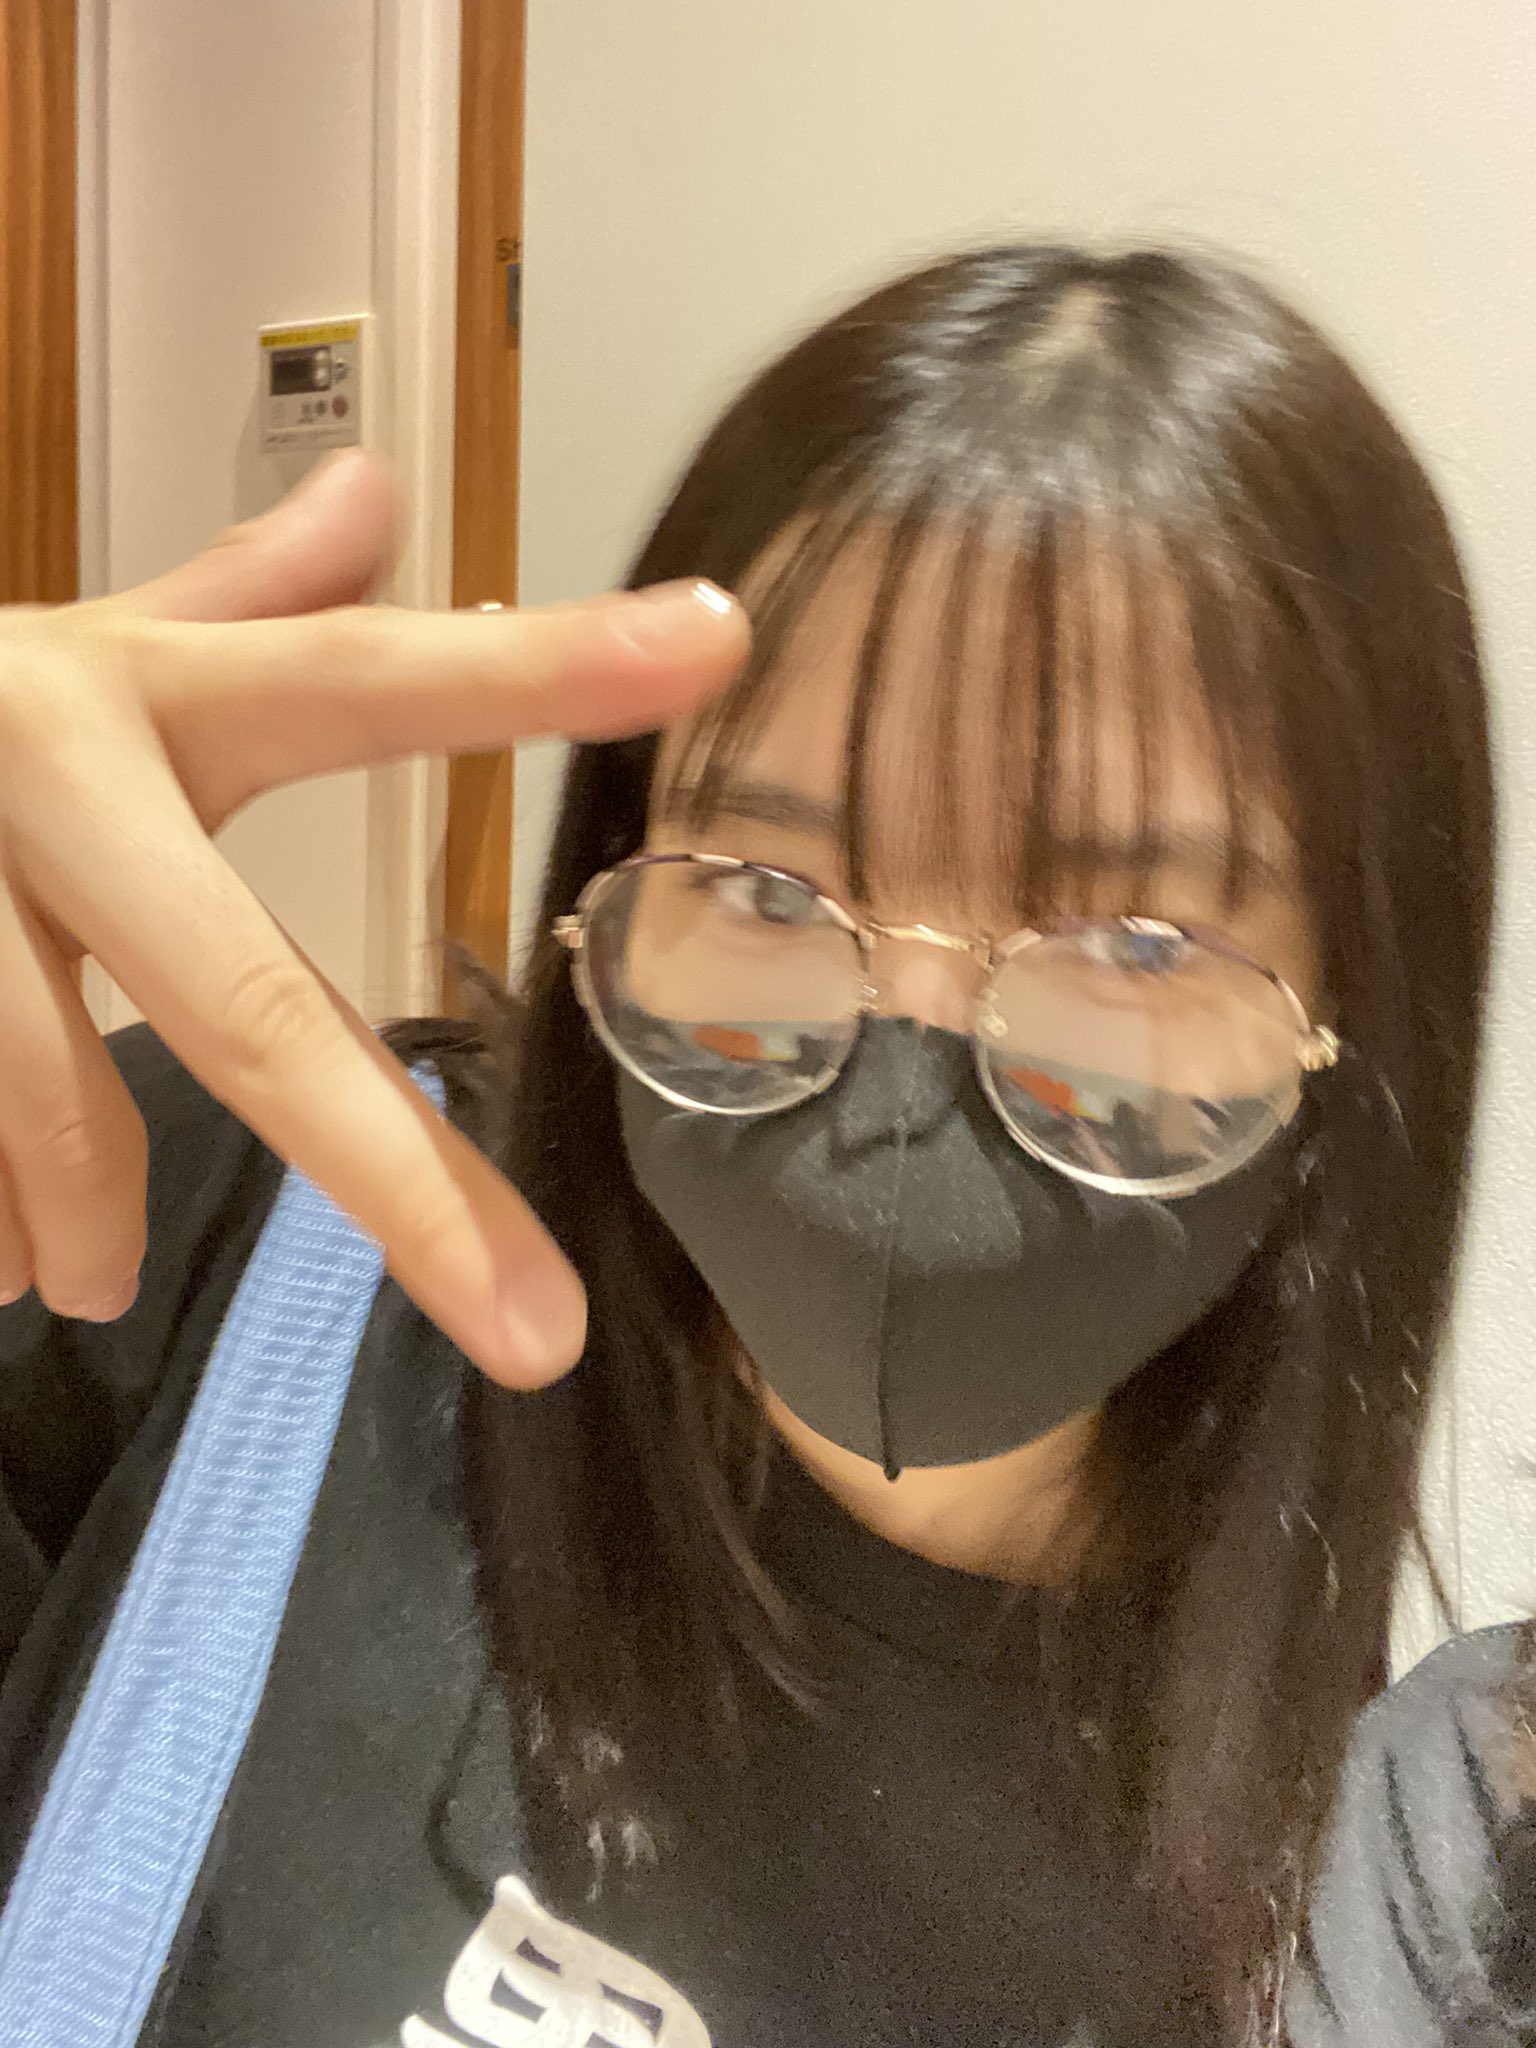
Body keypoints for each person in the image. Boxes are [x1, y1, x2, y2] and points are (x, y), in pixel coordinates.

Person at [0, 242, 1495, 2046]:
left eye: (1134, 942)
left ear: (1355, 1030)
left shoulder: (1374, 1921)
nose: (907, 1074)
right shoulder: (211, 1256)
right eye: (768, 887)